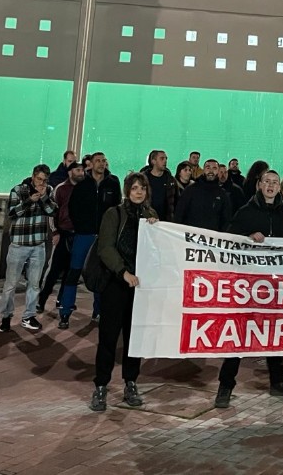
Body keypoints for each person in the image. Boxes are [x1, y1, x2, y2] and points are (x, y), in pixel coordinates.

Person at [215, 170, 283, 408]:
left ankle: (278, 381)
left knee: (275, 333)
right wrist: (247, 237)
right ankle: (225, 385)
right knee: (240, 333)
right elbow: (229, 239)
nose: (271, 185)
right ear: (259, 185)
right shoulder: (246, 212)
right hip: (248, 285)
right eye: (267, 181)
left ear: (279, 188)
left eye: (275, 182)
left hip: (275, 286)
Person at [89, 172, 159, 412]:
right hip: (116, 283)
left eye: (143, 188)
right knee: (108, 337)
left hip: (140, 286)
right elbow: (105, 248)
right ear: (127, 191)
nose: (139, 192)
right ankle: (101, 386)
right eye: (134, 188)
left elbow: (157, 250)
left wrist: (156, 230)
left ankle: (131, 382)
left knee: (134, 337)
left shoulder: (151, 215)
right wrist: (123, 272)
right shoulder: (114, 214)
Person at [63, 152, 122, 328]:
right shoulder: (82, 184)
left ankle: (99, 311)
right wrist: (81, 227)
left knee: (101, 275)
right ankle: (65, 312)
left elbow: (116, 208)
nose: (101, 163)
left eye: (104, 161)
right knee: (74, 272)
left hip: (104, 237)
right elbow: (73, 207)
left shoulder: (113, 183)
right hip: (83, 235)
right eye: (98, 161)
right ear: (91, 164)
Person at [0, 164, 56, 332]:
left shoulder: (49, 191)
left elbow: (53, 211)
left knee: (34, 284)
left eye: (44, 180)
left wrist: (44, 198)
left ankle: (29, 316)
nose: (41, 183)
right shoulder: (18, 190)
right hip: (19, 244)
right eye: (39, 179)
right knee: (11, 284)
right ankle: (6, 316)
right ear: (33, 177)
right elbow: (12, 213)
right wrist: (30, 200)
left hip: (38, 245)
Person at [38, 161, 84, 315]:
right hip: (62, 234)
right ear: (70, 172)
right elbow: (52, 212)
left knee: (71, 271)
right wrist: (55, 232)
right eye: (78, 170)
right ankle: (41, 300)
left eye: (82, 170)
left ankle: (62, 299)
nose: (81, 173)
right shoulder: (61, 189)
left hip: (77, 235)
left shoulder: (84, 188)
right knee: (54, 270)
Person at [175, 159, 232, 232]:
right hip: (191, 236)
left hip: (212, 237)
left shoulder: (222, 194)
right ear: (203, 170)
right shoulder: (190, 190)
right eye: (208, 168)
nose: (211, 171)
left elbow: (226, 220)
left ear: (218, 171)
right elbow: (179, 215)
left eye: (214, 168)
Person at [142, 150, 178, 222]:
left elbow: (177, 200)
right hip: (146, 220)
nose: (165, 161)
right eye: (162, 158)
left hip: (165, 222)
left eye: (166, 158)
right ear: (153, 161)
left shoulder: (171, 180)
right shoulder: (143, 179)